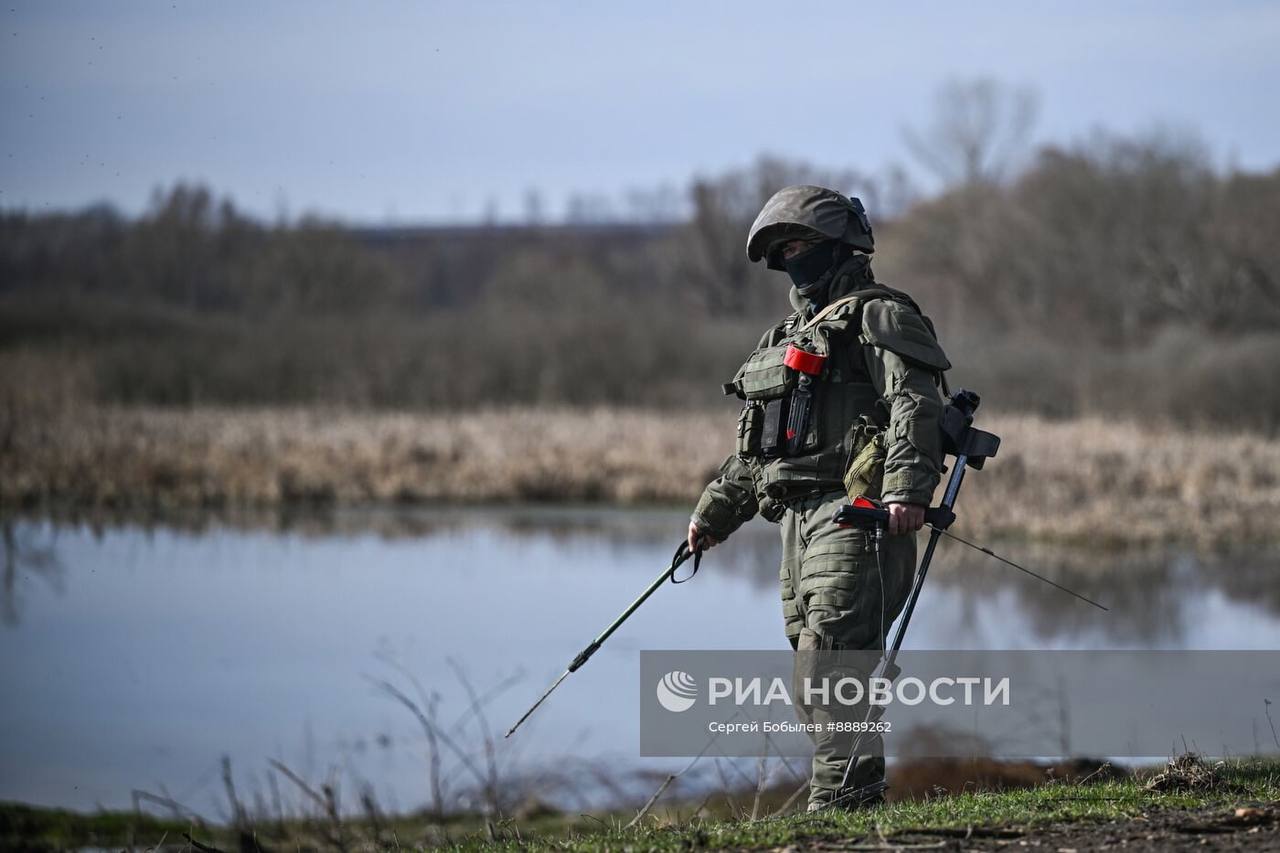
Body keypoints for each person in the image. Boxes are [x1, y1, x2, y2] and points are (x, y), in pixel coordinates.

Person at [687, 185, 950, 811]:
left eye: (799, 243)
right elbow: (758, 451)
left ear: (839, 246)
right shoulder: (784, 335)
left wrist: (907, 489)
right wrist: (714, 513)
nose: (789, 257)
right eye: (781, 249)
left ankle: (840, 813)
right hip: (794, 524)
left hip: (853, 514)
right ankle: (850, 806)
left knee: (835, 673)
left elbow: (916, 404)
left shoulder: (879, 315)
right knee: (812, 680)